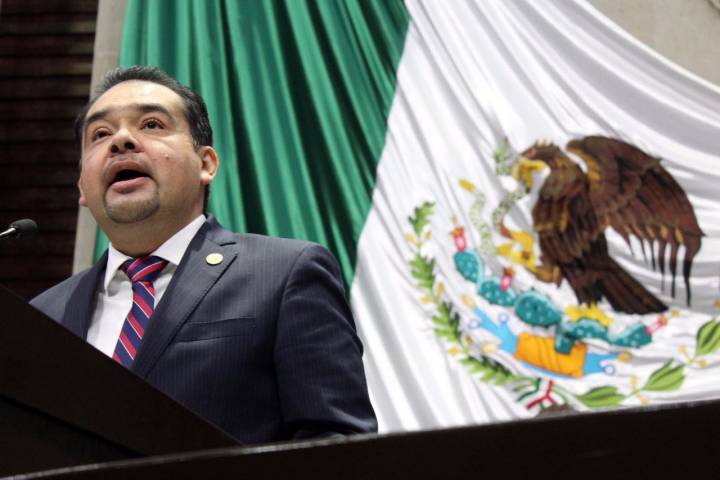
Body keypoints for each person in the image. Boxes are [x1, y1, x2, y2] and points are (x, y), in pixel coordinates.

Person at [31, 65, 377, 444]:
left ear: (206, 164)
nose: (121, 140)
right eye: (100, 134)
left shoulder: (285, 275)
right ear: (82, 186)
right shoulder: (43, 315)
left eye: (151, 125)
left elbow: (337, 446)